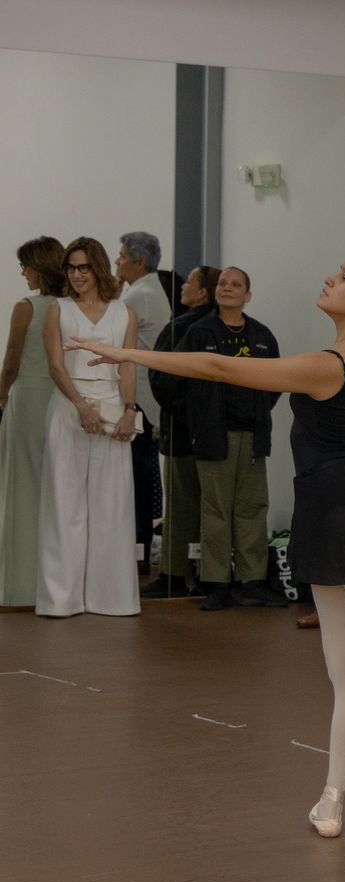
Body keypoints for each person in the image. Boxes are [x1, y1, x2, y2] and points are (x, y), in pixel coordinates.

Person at [71, 147, 345, 851]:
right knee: (344, 671)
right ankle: (333, 795)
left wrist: (132, 355)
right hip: (322, 510)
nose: (331, 277)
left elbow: (217, 366)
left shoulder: (328, 364)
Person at [37, 237, 141, 617]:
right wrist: (81, 406)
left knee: (112, 504)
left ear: (97, 267)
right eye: (71, 268)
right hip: (69, 408)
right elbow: (55, 366)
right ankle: (60, 599)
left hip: (113, 409)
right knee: (64, 503)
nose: (77, 275)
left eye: (83, 267)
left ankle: (111, 598)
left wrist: (129, 409)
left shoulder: (125, 313)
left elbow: (127, 364)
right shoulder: (57, 310)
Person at [175, 266, 284, 610]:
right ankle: (217, 583)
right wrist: (197, 419)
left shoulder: (262, 336)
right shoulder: (198, 332)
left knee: (252, 508)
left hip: (253, 436)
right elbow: (178, 380)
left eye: (236, 285)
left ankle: (253, 581)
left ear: (247, 295)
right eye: (222, 283)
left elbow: (276, 382)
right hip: (213, 437)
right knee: (216, 510)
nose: (227, 288)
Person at [0, 237, 69, 608]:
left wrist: (1, 395)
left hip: (27, 399)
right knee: (57, 489)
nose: (23, 273)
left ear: (39, 267)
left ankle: (19, 585)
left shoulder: (26, 308)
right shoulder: (70, 307)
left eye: (25, 265)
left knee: (21, 488)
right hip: (61, 399)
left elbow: (11, 360)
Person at [145, 265, 221, 597]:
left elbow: (160, 376)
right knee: (214, 507)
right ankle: (209, 576)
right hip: (218, 433)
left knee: (179, 506)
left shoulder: (180, 327)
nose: (182, 286)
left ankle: (174, 576)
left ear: (202, 292)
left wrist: (187, 414)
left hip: (182, 432)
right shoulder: (229, 329)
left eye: (189, 281)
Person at [116, 231, 171, 572]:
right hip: (147, 400)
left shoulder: (140, 295)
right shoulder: (147, 290)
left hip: (140, 402)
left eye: (122, 256)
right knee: (143, 478)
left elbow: (110, 337)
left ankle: (138, 553)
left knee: (137, 479)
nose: (116, 262)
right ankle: (140, 551)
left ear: (138, 262)